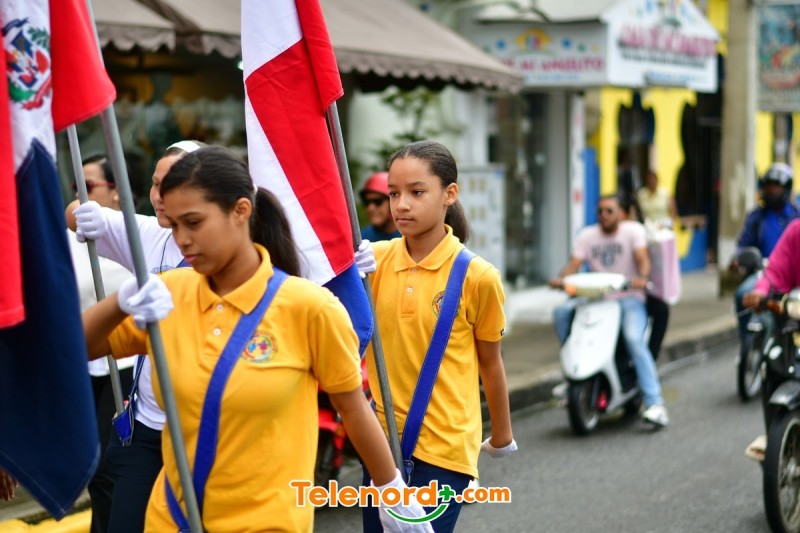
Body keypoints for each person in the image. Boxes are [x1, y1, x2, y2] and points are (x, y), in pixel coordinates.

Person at [81, 146, 430, 533]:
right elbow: (81, 348)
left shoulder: (308, 307)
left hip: (266, 522)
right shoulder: (169, 293)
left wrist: (391, 491)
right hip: (173, 520)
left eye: (194, 222)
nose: (183, 239)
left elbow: (353, 408)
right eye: (175, 225)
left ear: (241, 211)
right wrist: (119, 301)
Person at [355, 140, 517, 533]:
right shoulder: (373, 261)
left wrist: (501, 435)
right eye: (393, 194)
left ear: (450, 193)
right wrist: (346, 273)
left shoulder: (478, 277)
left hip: (445, 449)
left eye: (416, 192)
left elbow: (490, 363)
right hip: (381, 446)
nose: (401, 205)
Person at [66, 141, 203, 533]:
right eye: (155, 184)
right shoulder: (148, 232)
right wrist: (81, 212)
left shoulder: (240, 252)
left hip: (208, 428)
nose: (158, 195)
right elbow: (74, 212)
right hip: (146, 425)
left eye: (171, 184)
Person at [549, 194, 669, 427]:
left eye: (609, 211)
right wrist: (561, 279)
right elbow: (574, 264)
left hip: (629, 299)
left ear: (620, 213)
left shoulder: (632, 231)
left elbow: (643, 259)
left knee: (633, 339)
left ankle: (655, 402)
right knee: (561, 314)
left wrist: (641, 277)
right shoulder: (587, 235)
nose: (603, 215)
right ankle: (574, 374)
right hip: (597, 300)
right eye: (600, 211)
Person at [69, 154, 136, 533]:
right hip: (83, 364)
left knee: (109, 463)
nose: (80, 193)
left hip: (125, 363)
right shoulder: (67, 240)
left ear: (115, 192)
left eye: (89, 185)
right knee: (89, 463)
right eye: (75, 186)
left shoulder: (134, 235)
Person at [743, 219, 800, 461]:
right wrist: (760, 292)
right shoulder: (796, 231)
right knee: (773, 358)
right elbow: (774, 271)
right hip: (793, 320)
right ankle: (774, 437)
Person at [732, 162, 800, 347]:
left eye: (776, 186)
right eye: (769, 185)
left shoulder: (795, 214)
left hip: (794, 291)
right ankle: (747, 343)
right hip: (764, 270)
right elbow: (774, 268)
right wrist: (740, 260)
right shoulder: (758, 218)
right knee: (744, 294)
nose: (772, 190)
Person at [360, 171, 401, 242]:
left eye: (378, 201)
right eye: (367, 202)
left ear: (393, 202)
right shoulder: (362, 239)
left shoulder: (412, 238)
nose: (370, 208)